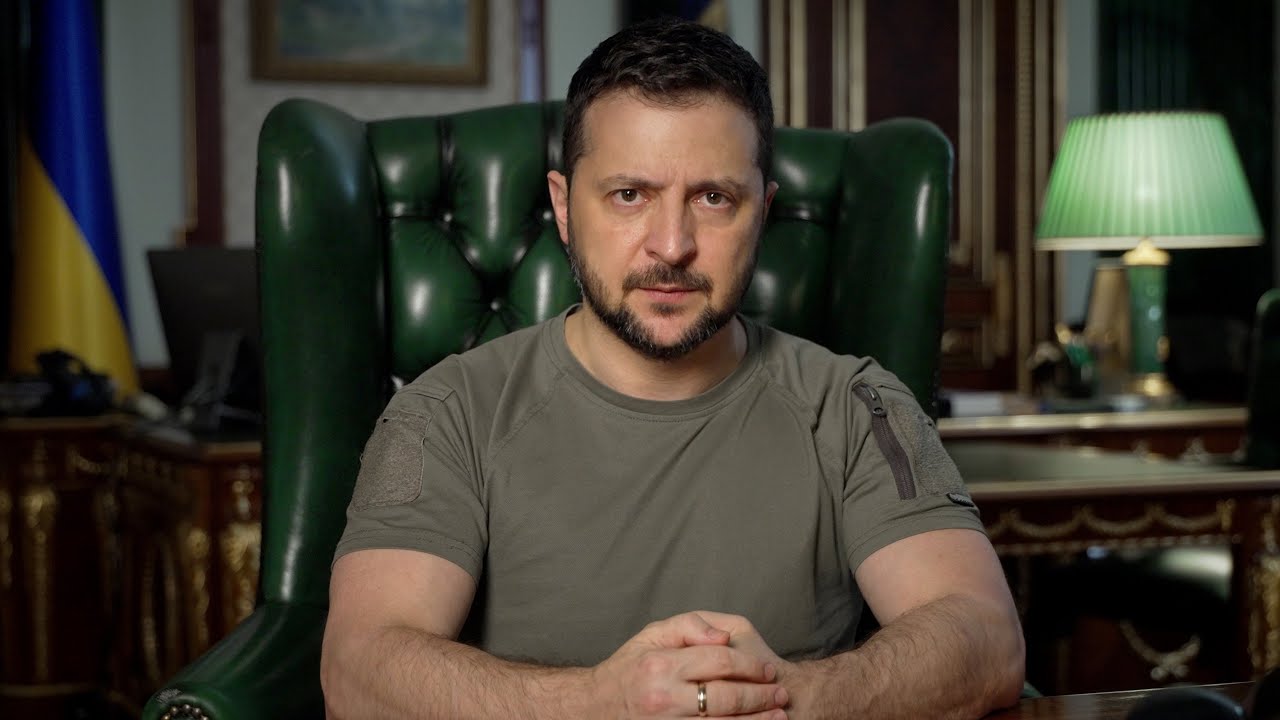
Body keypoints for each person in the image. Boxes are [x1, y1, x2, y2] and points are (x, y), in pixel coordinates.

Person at [321, 17, 1024, 720]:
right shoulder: (443, 413)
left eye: (714, 198)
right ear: (563, 207)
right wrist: (598, 703)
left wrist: (789, 697)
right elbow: (358, 672)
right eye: (630, 194)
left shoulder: (860, 406)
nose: (672, 245)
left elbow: (988, 640)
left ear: (763, 212)